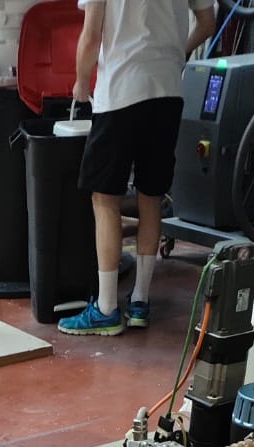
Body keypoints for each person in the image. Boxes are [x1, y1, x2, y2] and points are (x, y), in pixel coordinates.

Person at [59, 0, 216, 338]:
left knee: (105, 199)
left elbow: (91, 35)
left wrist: (81, 81)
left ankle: (106, 309)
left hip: (120, 90)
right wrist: (177, 53)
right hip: (167, 91)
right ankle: (141, 300)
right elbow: (207, 23)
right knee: (150, 196)